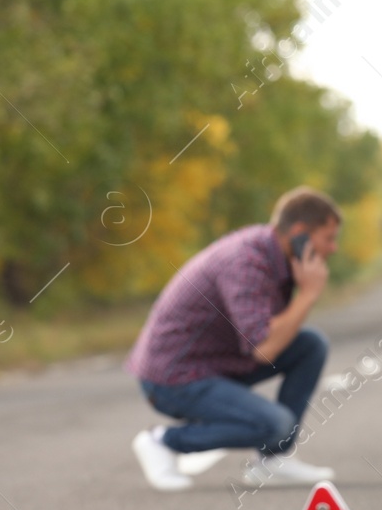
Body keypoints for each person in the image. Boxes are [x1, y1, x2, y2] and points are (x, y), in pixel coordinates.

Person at [126, 186, 341, 492]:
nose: (333, 248)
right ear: (300, 232)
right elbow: (263, 348)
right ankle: (162, 442)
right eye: (328, 238)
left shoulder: (273, 253)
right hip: (173, 378)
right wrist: (307, 295)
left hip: (217, 363)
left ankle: (272, 461)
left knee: (310, 345)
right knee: (275, 423)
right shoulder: (245, 263)